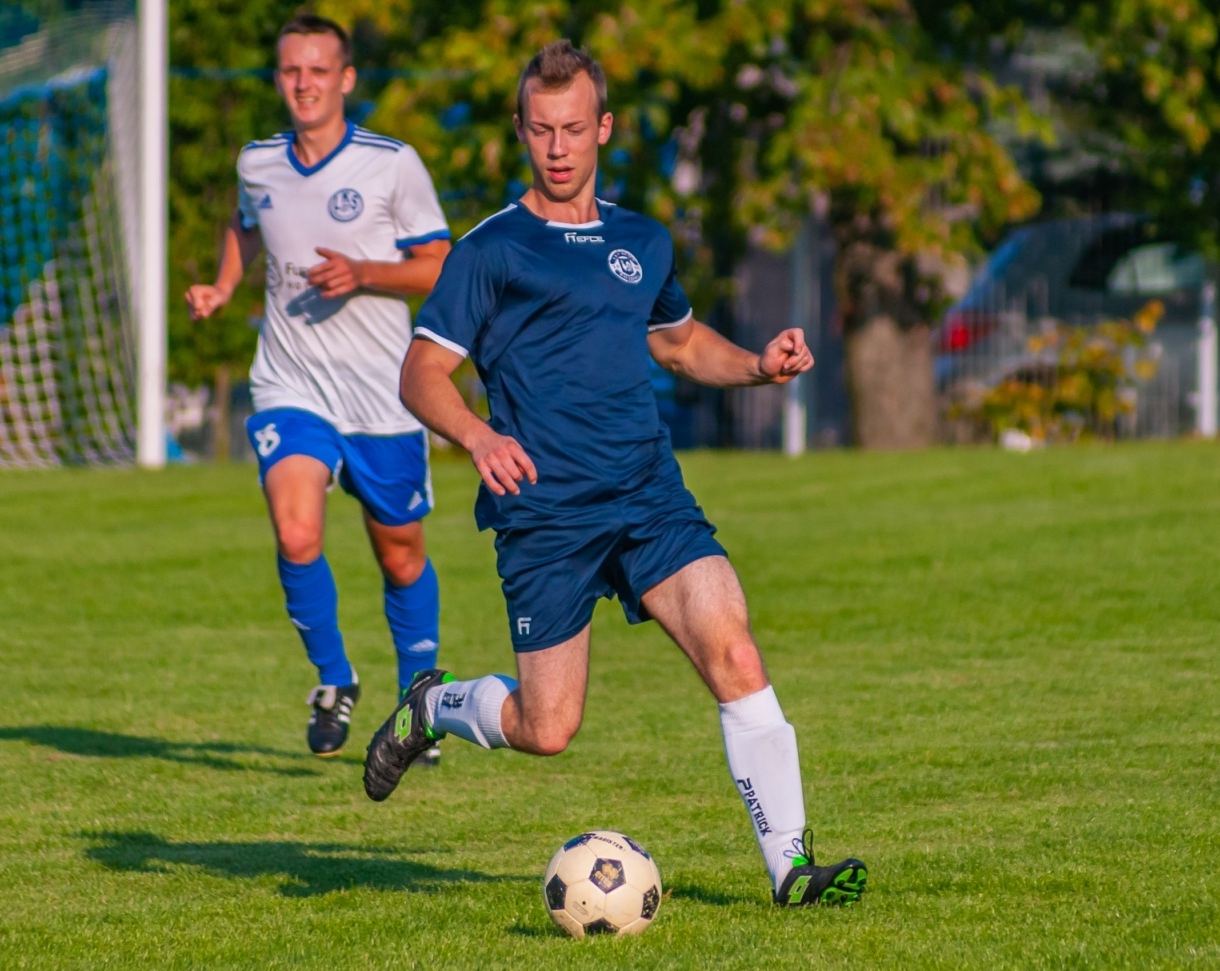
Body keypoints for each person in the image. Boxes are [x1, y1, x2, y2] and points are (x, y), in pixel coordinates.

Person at [363, 40, 867, 907]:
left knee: (735, 649)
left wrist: (758, 364)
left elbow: (676, 341)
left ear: (603, 129)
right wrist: (479, 439)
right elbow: (419, 373)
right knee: (547, 727)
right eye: (540, 130)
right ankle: (434, 706)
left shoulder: (642, 239)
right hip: (546, 513)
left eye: (573, 129)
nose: (558, 148)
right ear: (521, 131)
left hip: (646, 493)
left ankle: (792, 868)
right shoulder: (491, 251)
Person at [185, 14, 451, 761]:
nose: (303, 84)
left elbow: (440, 264)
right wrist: (223, 285)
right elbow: (245, 224)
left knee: (399, 553)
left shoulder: (391, 164)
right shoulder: (258, 162)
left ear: (346, 80)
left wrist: (365, 272)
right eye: (290, 71)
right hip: (290, 381)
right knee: (296, 531)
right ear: (280, 79)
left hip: (381, 391)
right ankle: (334, 679)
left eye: (317, 70)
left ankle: (418, 699)